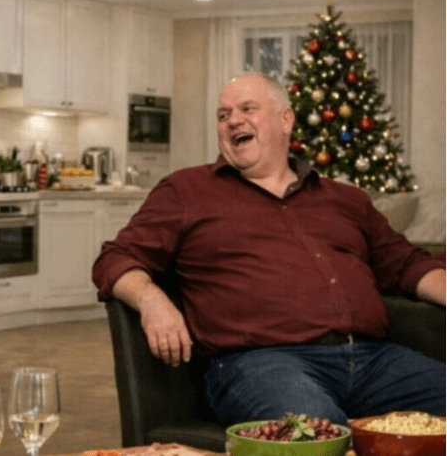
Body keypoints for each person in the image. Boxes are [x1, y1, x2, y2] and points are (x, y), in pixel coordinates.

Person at [92, 72, 445, 427]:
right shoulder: (186, 191)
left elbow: (405, 263)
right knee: (314, 434)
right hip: (262, 363)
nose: (233, 120)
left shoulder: (345, 198)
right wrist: (151, 301)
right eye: (223, 115)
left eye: (247, 109)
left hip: (374, 359)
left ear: (285, 119)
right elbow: (115, 258)